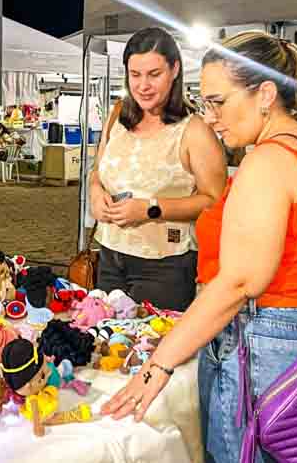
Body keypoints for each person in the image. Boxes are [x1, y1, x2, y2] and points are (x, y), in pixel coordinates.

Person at [101, 32, 297, 463]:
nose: (212, 117)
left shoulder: (269, 160)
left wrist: (160, 363)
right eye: (205, 104)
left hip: (266, 345)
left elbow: (239, 282)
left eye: (219, 102)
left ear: (266, 94)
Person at [90, 27, 226, 311]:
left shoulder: (194, 131)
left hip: (165, 266)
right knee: (106, 344)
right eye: (135, 75)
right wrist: (95, 191)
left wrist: (151, 208)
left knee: (154, 349)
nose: (143, 85)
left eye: (154, 74)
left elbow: (214, 201)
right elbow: (98, 170)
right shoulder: (117, 114)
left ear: (174, 70)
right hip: (110, 255)